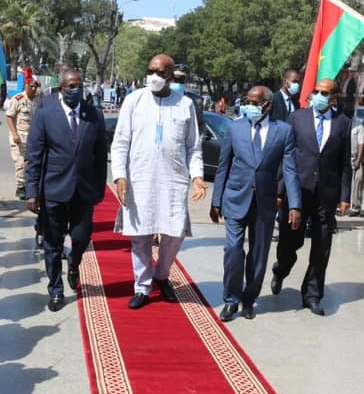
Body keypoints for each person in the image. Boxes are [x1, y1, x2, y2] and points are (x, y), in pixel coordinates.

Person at [111, 53, 205, 310]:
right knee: (140, 237)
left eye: (159, 73)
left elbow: (193, 147)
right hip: (139, 179)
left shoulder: (184, 104)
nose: (153, 77)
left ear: (170, 76)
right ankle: (142, 287)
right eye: (150, 71)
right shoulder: (133, 101)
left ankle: (161, 275)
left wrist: (197, 176)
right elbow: (120, 142)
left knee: (174, 233)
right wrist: (120, 175)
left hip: (173, 180)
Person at [210, 86, 301, 322]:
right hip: (235, 198)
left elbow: (290, 171)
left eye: (254, 101)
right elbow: (224, 165)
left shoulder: (283, 132)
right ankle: (231, 299)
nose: (248, 105)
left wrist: (295, 206)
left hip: (265, 203)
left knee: (258, 255)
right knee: (232, 251)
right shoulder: (235, 128)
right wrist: (216, 199)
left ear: (267, 105)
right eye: (247, 101)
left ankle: (249, 299)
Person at [25, 69, 108, 311]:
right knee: (52, 243)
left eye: (79, 85)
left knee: (82, 237)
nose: (76, 90)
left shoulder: (93, 114)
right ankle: (55, 289)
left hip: (83, 191)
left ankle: (74, 263)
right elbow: (34, 155)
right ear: (61, 88)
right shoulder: (46, 113)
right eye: (71, 86)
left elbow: (100, 155)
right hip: (53, 190)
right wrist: (31, 191)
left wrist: (100, 187)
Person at [270, 78, 351, 315]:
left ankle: (313, 293)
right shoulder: (297, 118)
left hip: (326, 195)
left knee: (322, 246)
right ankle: (281, 269)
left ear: (334, 97)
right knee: (289, 241)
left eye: (324, 93)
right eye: (316, 91)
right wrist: (280, 190)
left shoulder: (342, 123)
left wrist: (344, 195)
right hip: (298, 193)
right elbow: (285, 157)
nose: (319, 95)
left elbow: (345, 162)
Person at [6, 76, 39, 199]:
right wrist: (14, 134)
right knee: (20, 162)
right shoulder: (18, 99)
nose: (34, 88)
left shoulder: (37, 100)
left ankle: (29, 186)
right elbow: (9, 116)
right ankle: (20, 187)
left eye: (36, 86)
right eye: (31, 86)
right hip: (19, 135)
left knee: (30, 163)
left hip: (32, 136)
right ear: (26, 85)